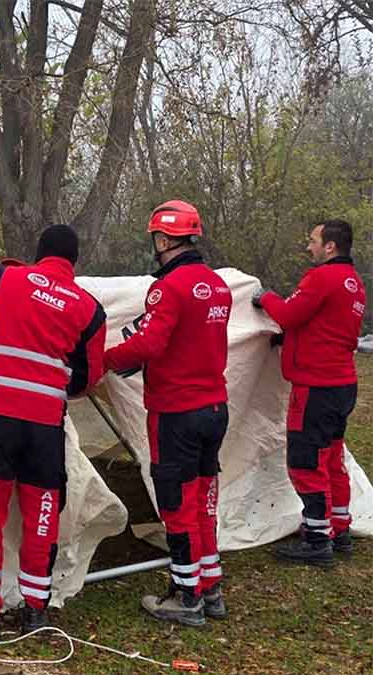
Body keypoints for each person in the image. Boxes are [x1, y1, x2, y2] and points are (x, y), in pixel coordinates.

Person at [0, 224, 106, 641]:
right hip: (44, 425)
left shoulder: (3, 278)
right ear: (74, 262)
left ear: (38, 253)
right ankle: (36, 611)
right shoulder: (89, 309)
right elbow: (89, 376)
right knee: (42, 513)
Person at [103, 200, 232, 627]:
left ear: (162, 239)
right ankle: (210, 588)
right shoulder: (217, 285)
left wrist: (106, 359)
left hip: (176, 411)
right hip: (214, 407)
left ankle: (186, 597)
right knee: (203, 502)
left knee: (177, 504)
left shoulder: (168, 288)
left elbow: (150, 343)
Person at [252, 219, 365, 566]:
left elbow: (288, 314)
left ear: (330, 246)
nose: (309, 246)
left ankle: (316, 539)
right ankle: (339, 528)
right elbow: (323, 326)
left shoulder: (322, 277)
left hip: (316, 387)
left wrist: (265, 298)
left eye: (313, 240)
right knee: (331, 459)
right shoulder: (354, 283)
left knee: (306, 461)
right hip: (342, 383)